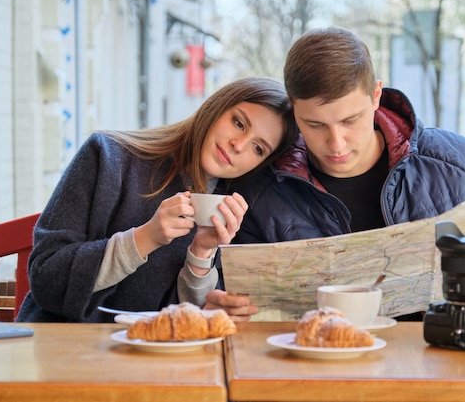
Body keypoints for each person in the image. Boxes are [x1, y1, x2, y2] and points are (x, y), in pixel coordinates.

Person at [205, 27, 465, 321]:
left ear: (376, 94)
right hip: (318, 372)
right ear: (292, 107)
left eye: (350, 120)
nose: (336, 142)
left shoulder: (455, 162)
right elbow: (234, 306)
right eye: (314, 125)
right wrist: (229, 307)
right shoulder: (262, 191)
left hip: (441, 367)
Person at [16, 77, 298, 322]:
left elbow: (189, 320)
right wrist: (145, 238)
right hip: (61, 352)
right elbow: (46, 278)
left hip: (155, 367)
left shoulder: (231, 213)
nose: (239, 145)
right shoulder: (107, 156)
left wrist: (200, 253)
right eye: (238, 123)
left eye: (258, 148)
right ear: (216, 108)